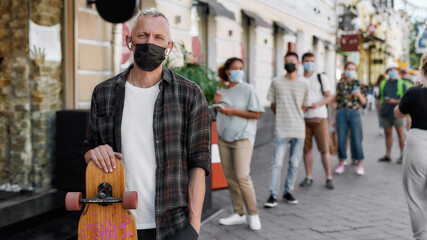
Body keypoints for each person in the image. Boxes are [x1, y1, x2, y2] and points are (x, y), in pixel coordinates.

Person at [82, 8, 210, 240]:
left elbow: (199, 163)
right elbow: (88, 149)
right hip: (113, 221)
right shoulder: (104, 93)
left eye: (159, 38)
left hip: (173, 225)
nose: (150, 42)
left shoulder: (189, 94)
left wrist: (194, 226)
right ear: (129, 41)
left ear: (169, 47)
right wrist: (93, 153)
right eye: (142, 35)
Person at [213, 58, 264, 231]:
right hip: (224, 138)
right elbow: (219, 113)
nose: (238, 71)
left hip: (243, 138)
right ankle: (239, 214)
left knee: (243, 177)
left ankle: (254, 214)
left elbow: (256, 114)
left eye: (241, 68)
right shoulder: (222, 90)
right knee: (231, 178)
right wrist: (217, 102)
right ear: (227, 71)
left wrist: (232, 111)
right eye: (234, 68)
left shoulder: (248, 89)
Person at [264, 52, 311, 208]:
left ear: (298, 63)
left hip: (298, 129)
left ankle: (288, 191)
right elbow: (272, 104)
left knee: (294, 163)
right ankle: (273, 195)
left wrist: (294, 114)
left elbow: (304, 105)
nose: (289, 63)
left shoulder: (304, 83)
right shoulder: (276, 82)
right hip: (281, 129)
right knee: (277, 163)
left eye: (292, 61)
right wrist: (284, 114)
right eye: (286, 61)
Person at [395, 50, 427, 240]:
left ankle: (421, 237)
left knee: (416, 197)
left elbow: (398, 114)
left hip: (418, 143)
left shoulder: (414, 92)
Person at [298, 52, 334, 190]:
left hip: (320, 117)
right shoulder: (299, 79)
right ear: (302, 63)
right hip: (304, 119)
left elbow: (329, 97)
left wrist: (316, 105)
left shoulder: (321, 77)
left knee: (324, 149)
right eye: (307, 61)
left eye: (312, 61)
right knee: (306, 149)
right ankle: (308, 176)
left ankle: (329, 177)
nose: (309, 63)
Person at [333, 62, 366, 176]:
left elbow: (364, 102)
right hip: (341, 112)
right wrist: (334, 118)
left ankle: (359, 163)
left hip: (354, 113)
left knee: (357, 138)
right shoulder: (340, 84)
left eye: (352, 69)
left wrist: (359, 95)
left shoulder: (359, 84)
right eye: (348, 69)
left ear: (355, 71)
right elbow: (336, 101)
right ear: (345, 69)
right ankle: (342, 162)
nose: (350, 71)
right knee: (341, 139)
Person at [377, 62, 407, 164]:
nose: (392, 72)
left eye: (394, 69)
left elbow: (405, 99)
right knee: (387, 134)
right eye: (390, 70)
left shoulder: (401, 83)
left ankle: (402, 156)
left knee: (400, 134)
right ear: (387, 72)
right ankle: (388, 155)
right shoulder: (383, 83)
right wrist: (379, 112)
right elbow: (380, 99)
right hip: (385, 113)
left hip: (398, 113)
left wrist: (395, 102)